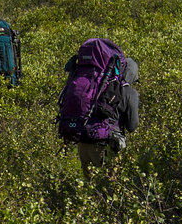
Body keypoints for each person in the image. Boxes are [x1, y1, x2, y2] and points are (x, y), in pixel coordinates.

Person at [58, 37, 141, 170]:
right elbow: (132, 126)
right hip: (105, 146)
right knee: (108, 188)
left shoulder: (101, 82)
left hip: (83, 143)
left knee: (87, 187)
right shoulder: (129, 92)